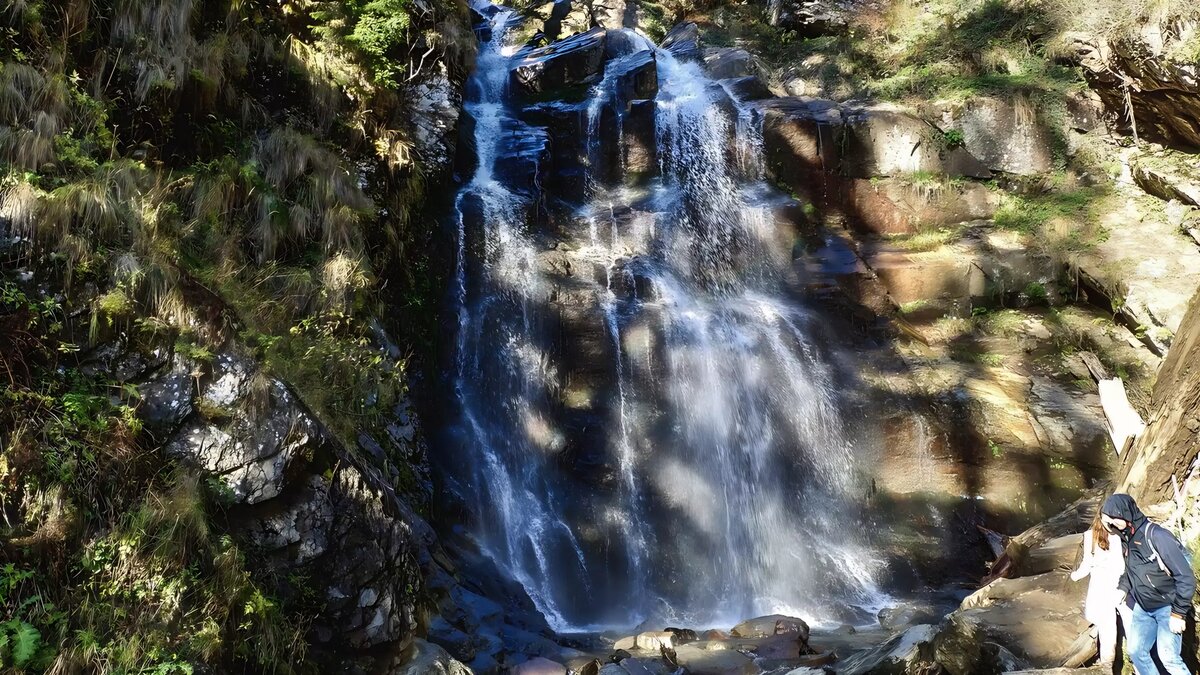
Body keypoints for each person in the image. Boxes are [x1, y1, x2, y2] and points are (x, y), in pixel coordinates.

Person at [1101, 493, 1196, 675]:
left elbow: (1185, 577)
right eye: (1108, 520)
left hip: (1168, 607)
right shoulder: (1126, 538)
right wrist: (1122, 588)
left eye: (1114, 519)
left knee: (1169, 658)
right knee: (1136, 652)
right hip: (1143, 608)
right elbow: (1131, 571)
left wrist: (1178, 613)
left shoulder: (1157, 536)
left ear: (1125, 514)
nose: (1111, 524)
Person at [1071, 510, 1129, 664]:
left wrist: (1075, 576)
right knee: (1130, 629)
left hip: (1101, 586)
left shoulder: (1089, 535)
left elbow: (1087, 564)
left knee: (1107, 633)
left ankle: (1106, 665)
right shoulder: (1121, 534)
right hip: (1122, 584)